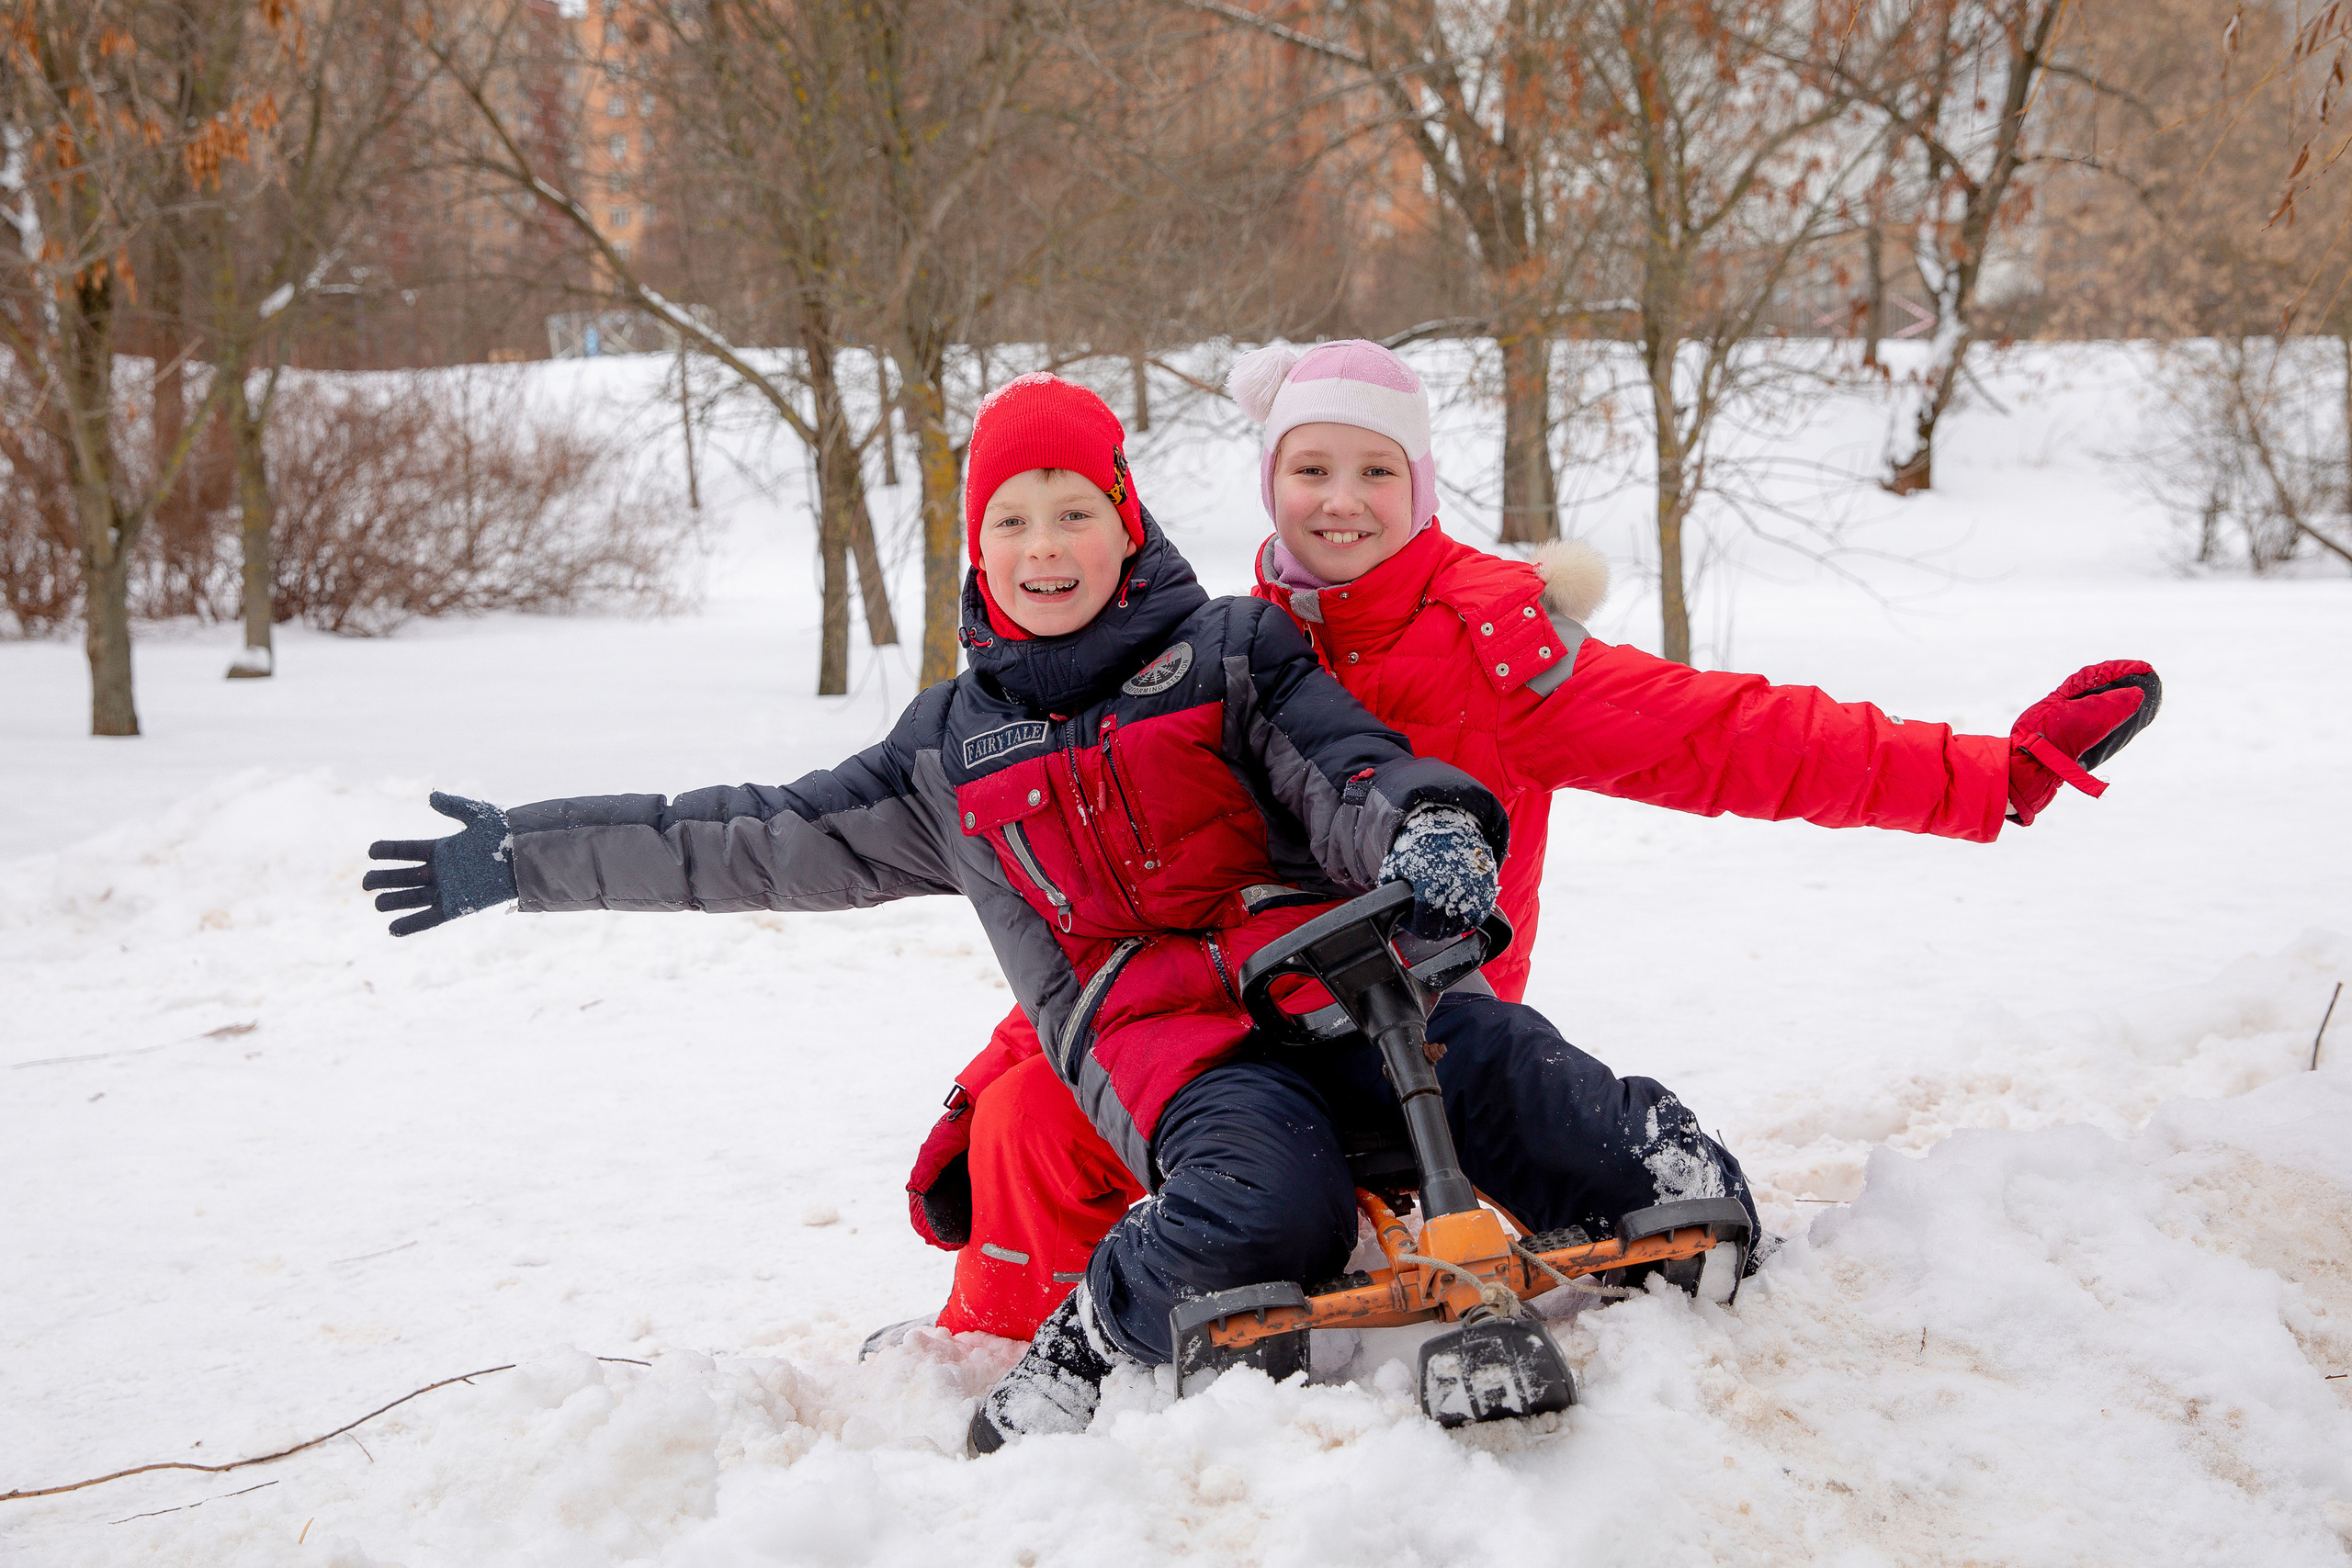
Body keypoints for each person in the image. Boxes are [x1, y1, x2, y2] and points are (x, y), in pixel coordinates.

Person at [361, 372, 1768, 1454]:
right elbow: (742, 836)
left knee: (1512, 1074)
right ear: (978, 547)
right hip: (1176, 1056)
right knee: (1258, 1202)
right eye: (1011, 520)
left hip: (1345, 976)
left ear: (1124, 518)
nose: (1047, 545)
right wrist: (527, 859)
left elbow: (1347, 766)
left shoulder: (1235, 655)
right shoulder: (947, 753)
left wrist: (1431, 824)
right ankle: (1092, 1337)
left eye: (1073, 510)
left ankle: (1664, 1190)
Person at [899, 339, 2164, 1350]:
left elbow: (1727, 735)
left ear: (1423, 486)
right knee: (1023, 1117)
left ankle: (1520, 1223)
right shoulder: (1206, 656)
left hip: (1425, 1029)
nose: (1341, 503)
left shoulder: (1496, 645)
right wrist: (987, 1077)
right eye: (1312, 470)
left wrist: (1988, 777)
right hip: (1217, 1038)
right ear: (1268, 481)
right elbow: (1117, 918)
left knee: (1468, 1112)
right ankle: (998, 1361)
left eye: (1377, 473)